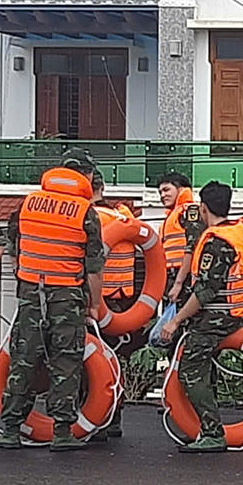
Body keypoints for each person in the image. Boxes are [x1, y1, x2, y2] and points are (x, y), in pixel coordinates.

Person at [0, 149, 106, 451]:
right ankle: (62, 431)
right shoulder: (85, 211)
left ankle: (11, 429)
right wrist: (94, 305)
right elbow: (94, 268)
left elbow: (14, 244)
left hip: (31, 292)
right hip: (66, 296)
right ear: (87, 176)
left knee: (24, 358)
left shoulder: (29, 203)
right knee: (66, 362)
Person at [157, 182, 243, 454]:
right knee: (204, 370)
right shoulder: (237, 232)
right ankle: (204, 428)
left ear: (203, 208)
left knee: (189, 370)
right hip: (235, 313)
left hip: (217, 318)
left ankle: (213, 432)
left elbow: (205, 290)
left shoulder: (216, 242)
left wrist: (175, 321)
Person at [92, 170, 138, 439]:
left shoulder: (89, 218)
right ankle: (113, 416)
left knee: (91, 361)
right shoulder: (123, 217)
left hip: (95, 300)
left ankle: (94, 417)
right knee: (115, 360)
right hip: (121, 301)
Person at [159, 172, 205, 306]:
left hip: (184, 277)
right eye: (160, 192)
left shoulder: (190, 211)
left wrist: (179, 282)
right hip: (171, 276)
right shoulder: (171, 216)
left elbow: (193, 245)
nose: (162, 195)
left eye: (166, 190)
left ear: (181, 190)